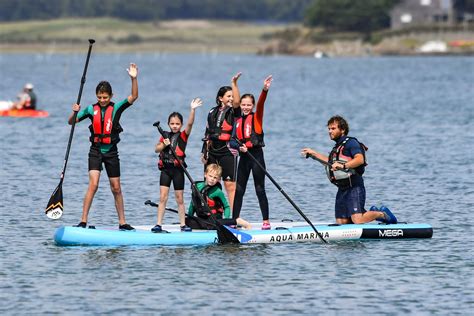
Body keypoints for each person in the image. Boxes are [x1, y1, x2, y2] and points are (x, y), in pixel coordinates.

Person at [68, 63, 138, 230]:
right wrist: (75, 111)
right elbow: (71, 122)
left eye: (105, 97)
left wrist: (134, 79)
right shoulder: (91, 109)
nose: (102, 100)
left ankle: (122, 222)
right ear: (96, 96)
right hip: (95, 151)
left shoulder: (117, 107)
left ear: (111, 95)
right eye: (99, 97)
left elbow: (134, 96)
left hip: (111, 152)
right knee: (94, 184)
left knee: (116, 188)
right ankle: (83, 220)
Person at [301, 115, 397, 225]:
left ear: (342, 130)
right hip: (342, 189)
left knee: (357, 220)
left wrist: (344, 166)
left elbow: (360, 159)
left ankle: (381, 214)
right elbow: (329, 163)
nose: (330, 131)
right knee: (342, 222)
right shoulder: (337, 147)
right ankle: (366, 213)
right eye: (329, 129)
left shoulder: (351, 143)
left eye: (333, 128)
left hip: (354, 187)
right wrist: (313, 154)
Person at [151, 98, 203, 233]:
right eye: (172, 123)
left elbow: (190, 124)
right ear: (168, 124)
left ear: (180, 125)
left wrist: (192, 110)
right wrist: (164, 144)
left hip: (178, 171)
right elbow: (156, 149)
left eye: (177, 124)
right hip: (166, 171)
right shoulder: (164, 135)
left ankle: (183, 224)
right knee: (163, 198)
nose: (175, 126)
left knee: (179, 198)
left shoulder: (183, 136)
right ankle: (158, 224)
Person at [232, 74, 273, 230]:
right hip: (243, 158)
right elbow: (233, 140)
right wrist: (238, 147)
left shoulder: (256, 118)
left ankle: (266, 221)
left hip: (256, 157)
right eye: (243, 104)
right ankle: (235, 220)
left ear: (253, 106)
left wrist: (264, 90)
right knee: (239, 190)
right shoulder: (237, 119)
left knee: (259, 188)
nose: (245, 107)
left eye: (249, 105)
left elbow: (262, 103)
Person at [201, 73, 241, 209]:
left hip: (227, 152)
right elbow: (207, 133)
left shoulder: (233, 112)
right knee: (210, 182)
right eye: (228, 96)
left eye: (232, 96)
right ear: (220, 98)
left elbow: (236, 103)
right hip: (212, 151)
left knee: (229, 185)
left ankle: (234, 217)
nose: (231, 98)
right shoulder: (212, 112)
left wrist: (234, 84)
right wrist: (204, 152)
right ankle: (210, 213)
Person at [187, 164, 251, 230]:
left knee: (214, 224)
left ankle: (237, 221)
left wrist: (226, 219)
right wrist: (190, 217)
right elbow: (193, 204)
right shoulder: (197, 187)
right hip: (203, 218)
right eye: (210, 176)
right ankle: (209, 225)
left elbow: (226, 207)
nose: (212, 179)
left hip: (214, 218)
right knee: (187, 221)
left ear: (218, 179)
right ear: (205, 174)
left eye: (215, 178)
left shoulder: (217, 191)